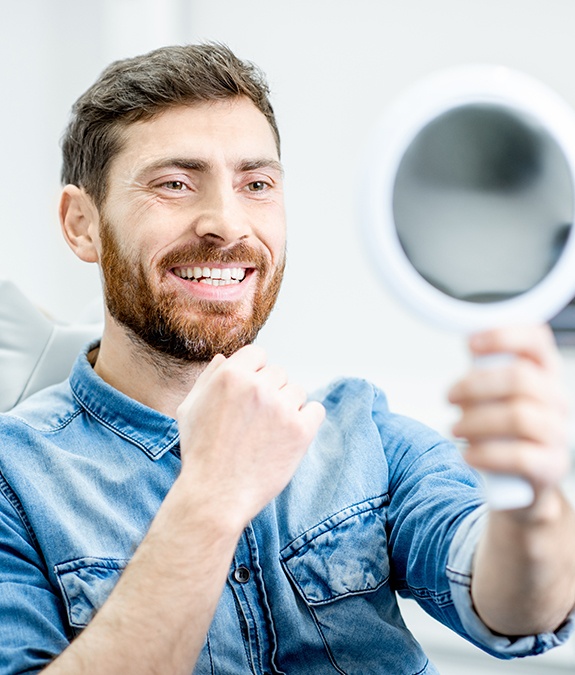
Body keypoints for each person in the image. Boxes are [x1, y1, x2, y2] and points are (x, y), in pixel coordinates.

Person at [0, 43, 574, 675]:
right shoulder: (14, 481)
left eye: (257, 184)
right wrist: (210, 499)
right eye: (174, 183)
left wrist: (534, 502)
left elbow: (519, 610)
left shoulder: (362, 431)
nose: (226, 222)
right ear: (81, 223)